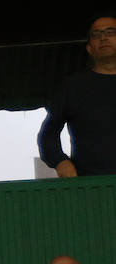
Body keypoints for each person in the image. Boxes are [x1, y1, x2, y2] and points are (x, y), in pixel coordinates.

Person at [39, 13, 116, 177]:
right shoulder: (73, 87)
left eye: (110, 32)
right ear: (89, 48)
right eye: (96, 35)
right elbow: (48, 134)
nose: (103, 38)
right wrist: (60, 161)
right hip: (91, 187)